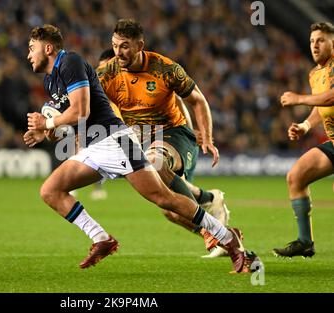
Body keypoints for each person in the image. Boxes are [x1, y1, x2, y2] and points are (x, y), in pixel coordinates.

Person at [24, 24, 257, 273]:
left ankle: (230, 241)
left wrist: (47, 122)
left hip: (118, 140)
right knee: (50, 190)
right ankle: (102, 239)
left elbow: (81, 111)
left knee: (164, 199)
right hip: (97, 145)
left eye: (31, 48)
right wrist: (47, 131)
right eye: (115, 46)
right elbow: (67, 122)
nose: (28, 55)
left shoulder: (69, 61)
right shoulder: (52, 80)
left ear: (47, 48)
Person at [96, 19, 229, 258]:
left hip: (175, 134)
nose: (118, 52)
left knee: (155, 161)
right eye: (115, 46)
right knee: (169, 209)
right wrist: (50, 122)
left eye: (125, 46)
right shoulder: (109, 73)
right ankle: (211, 204)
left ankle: (214, 231)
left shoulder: (164, 69)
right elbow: (82, 99)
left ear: (140, 45)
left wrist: (206, 137)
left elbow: (196, 100)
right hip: (142, 140)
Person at [274, 22, 334, 258]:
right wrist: (306, 125)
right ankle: (304, 241)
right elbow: (322, 106)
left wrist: (298, 98)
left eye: (320, 40)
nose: (315, 45)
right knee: (296, 176)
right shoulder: (314, 74)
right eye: (311, 41)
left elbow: (331, 97)